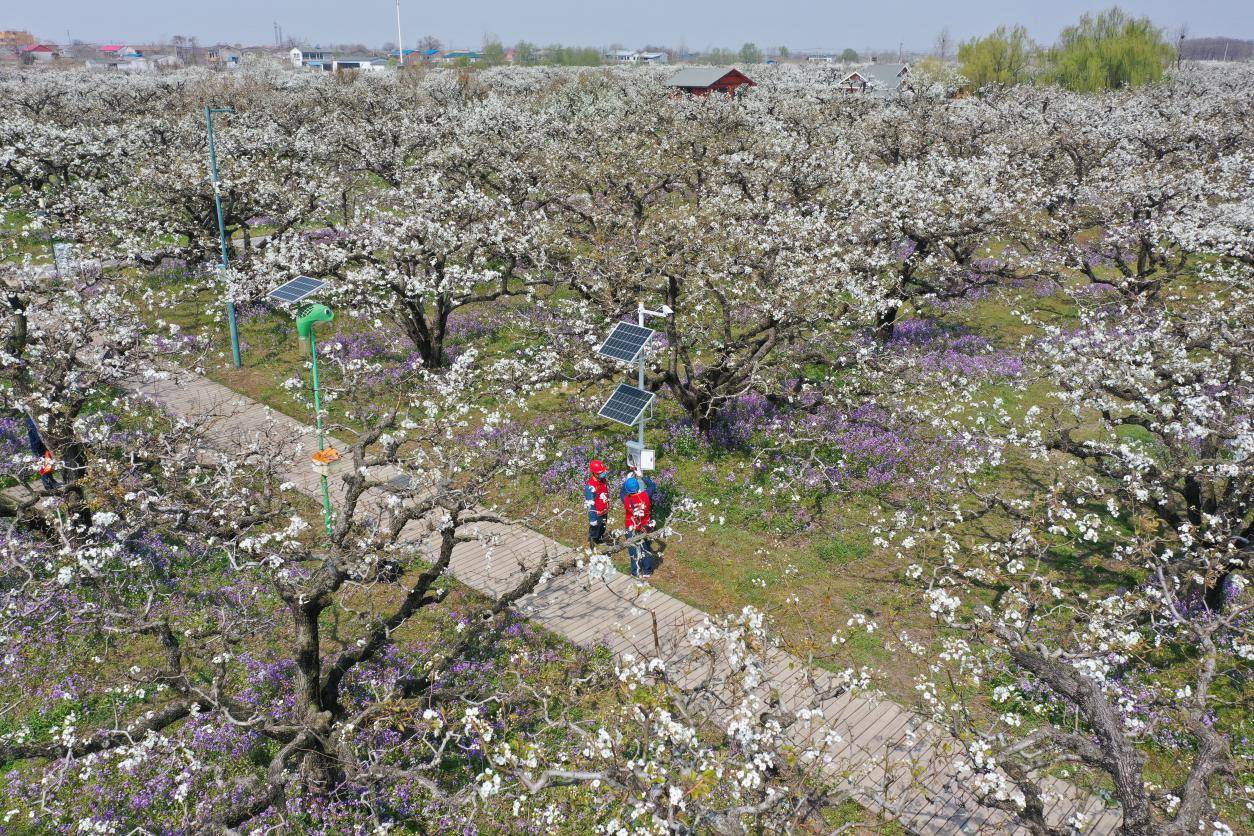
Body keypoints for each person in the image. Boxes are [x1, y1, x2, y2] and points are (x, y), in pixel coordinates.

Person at [621, 475, 654, 577]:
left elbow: (622, 492)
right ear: (638, 488)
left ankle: (635, 571)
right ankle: (647, 571)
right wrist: (643, 477)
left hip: (631, 527)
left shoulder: (626, 499)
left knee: (632, 550)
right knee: (645, 548)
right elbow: (652, 486)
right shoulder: (646, 495)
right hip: (644, 527)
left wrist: (626, 481)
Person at [584, 459, 610, 551]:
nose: (602, 474)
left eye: (602, 472)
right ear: (593, 473)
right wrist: (592, 519)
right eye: (599, 473)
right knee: (595, 528)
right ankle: (592, 541)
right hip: (596, 512)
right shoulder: (590, 487)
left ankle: (599, 539)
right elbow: (590, 504)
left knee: (602, 526)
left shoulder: (603, 481)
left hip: (604, 509)